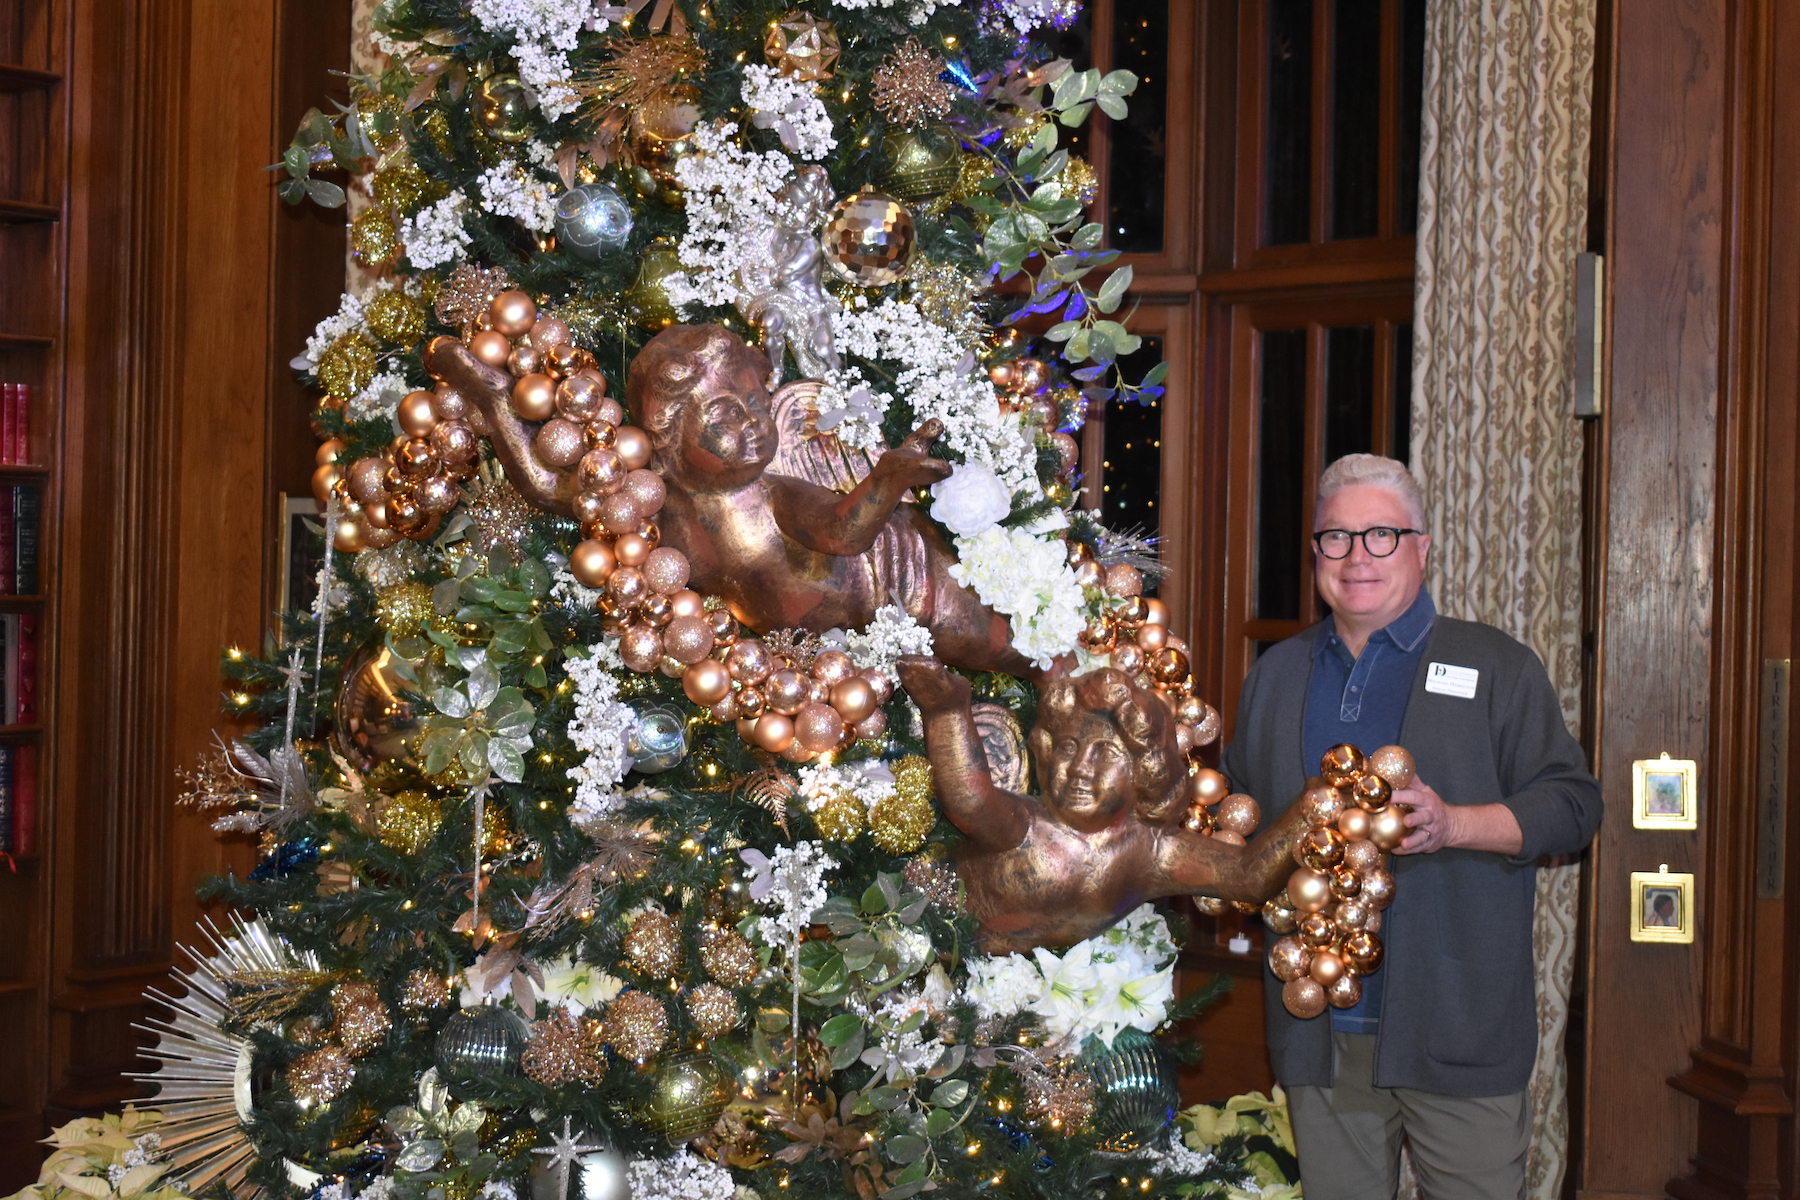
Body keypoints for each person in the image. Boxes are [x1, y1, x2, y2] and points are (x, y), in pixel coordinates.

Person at [1222, 454, 1601, 1200]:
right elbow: (1239, 817)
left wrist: (1456, 822)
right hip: (1319, 1034)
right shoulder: (1277, 674)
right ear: (1315, 554)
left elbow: (1574, 806)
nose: (1356, 557)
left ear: (1422, 547)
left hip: (1458, 1032)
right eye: (1336, 538)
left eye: (1382, 536)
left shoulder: (1495, 665)